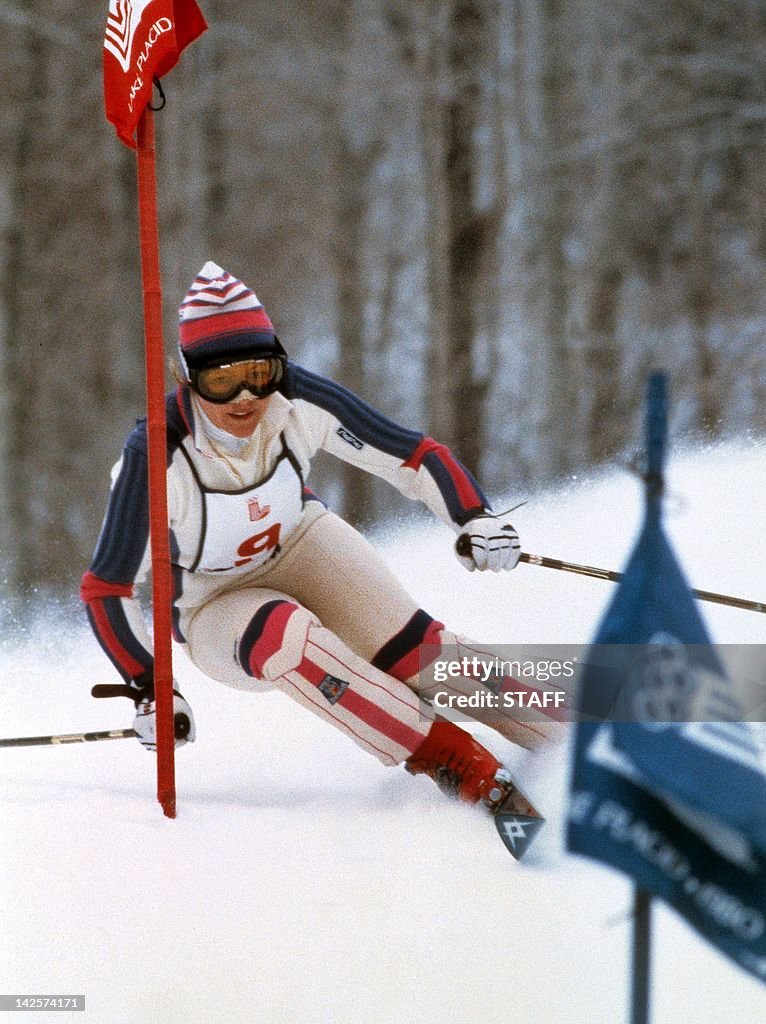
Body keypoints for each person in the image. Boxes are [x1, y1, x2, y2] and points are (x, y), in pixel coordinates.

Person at [82, 261, 558, 814]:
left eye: (258, 372)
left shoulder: (296, 397)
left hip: (303, 545)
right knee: (288, 637)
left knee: (419, 653)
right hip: (212, 602)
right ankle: (454, 760)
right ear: (186, 377)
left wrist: (474, 517)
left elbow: (411, 454)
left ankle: (579, 741)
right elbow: (106, 588)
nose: (244, 397)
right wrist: (151, 689)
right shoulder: (155, 457)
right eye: (220, 379)